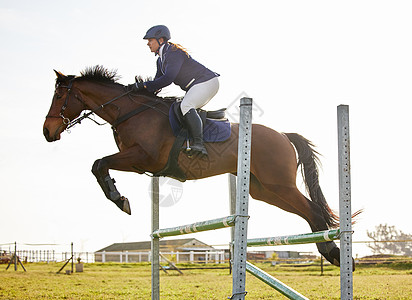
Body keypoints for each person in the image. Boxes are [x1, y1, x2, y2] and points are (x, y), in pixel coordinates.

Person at [128, 25, 219, 156]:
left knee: (186, 105)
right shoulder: (160, 60)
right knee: (178, 106)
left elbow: (168, 79)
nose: (148, 43)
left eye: (150, 40)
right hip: (196, 85)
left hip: (207, 81)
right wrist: (140, 91)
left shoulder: (173, 52)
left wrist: (144, 86)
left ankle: (199, 144)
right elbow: (157, 83)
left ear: (161, 39)